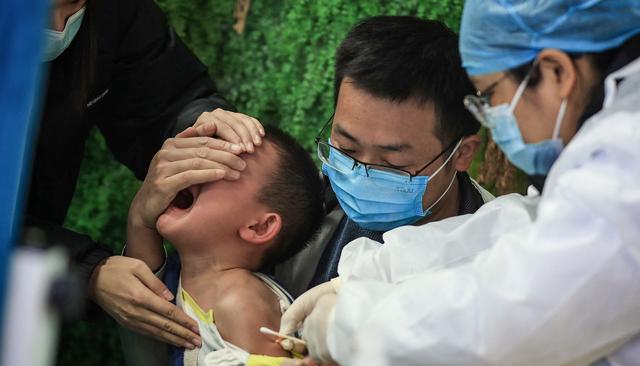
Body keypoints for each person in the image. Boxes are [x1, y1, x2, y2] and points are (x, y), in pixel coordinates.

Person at [279, 1, 640, 365]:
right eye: (347, 148)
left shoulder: (631, 169)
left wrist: (348, 326)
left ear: (556, 72)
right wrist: (374, 274)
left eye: (490, 96)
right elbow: (526, 226)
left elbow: (494, 325)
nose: (490, 116)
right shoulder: (620, 143)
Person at [26, 0, 265, 348]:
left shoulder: (113, 12)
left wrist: (199, 127)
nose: (62, 26)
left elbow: (164, 101)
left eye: (74, 6)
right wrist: (84, 267)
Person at [274, 16, 493, 297]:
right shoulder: (309, 201)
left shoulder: (489, 263)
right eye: (347, 149)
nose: (358, 177)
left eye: (393, 164)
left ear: (462, 153)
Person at [122, 125, 325, 366]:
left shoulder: (239, 303)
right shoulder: (179, 276)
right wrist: (141, 220)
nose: (193, 167)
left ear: (258, 227)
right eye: (203, 153)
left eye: (224, 165)